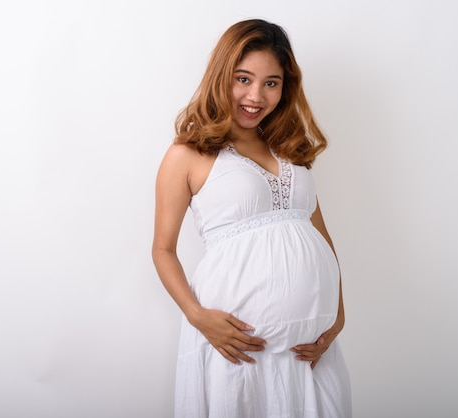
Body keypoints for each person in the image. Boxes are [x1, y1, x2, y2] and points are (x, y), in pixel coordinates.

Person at [152, 19, 352, 418]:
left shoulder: (290, 151)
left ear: (285, 86)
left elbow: (321, 239)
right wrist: (197, 317)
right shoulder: (187, 155)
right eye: (243, 79)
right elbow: (162, 249)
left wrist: (338, 317)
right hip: (237, 349)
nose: (255, 96)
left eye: (271, 83)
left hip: (309, 352)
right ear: (221, 75)